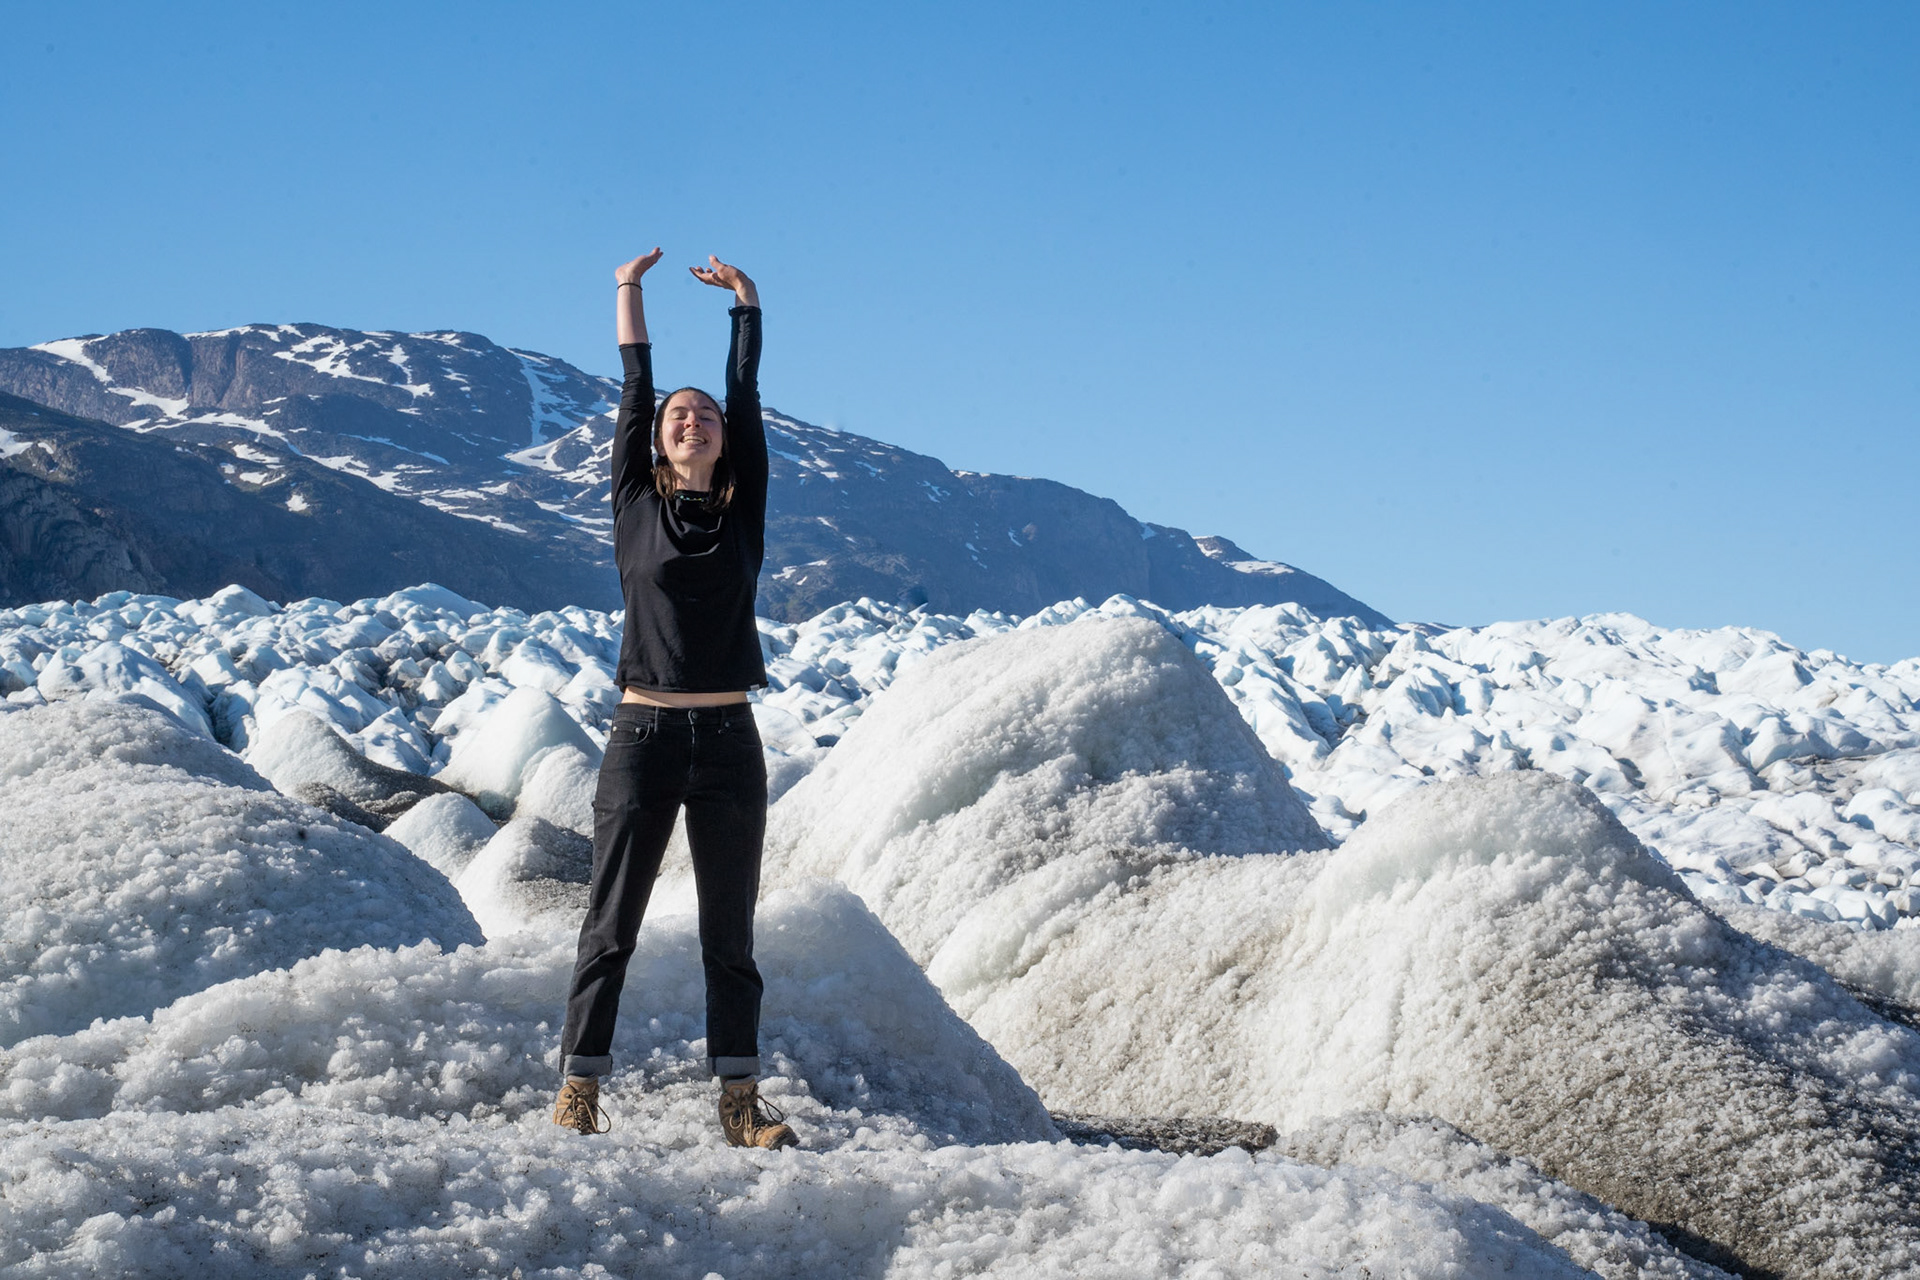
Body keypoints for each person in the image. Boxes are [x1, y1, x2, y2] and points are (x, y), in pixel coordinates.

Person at [551, 246, 796, 1150]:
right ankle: (579, 1087)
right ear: (656, 439)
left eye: (703, 415)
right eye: (675, 416)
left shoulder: (745, 509)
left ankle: (739, 1102)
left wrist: (747, 306)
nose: (690, 420)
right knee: (610, 925)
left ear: (722, 437)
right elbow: (633, 385)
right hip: (643, 735)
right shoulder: (631, 504)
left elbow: (747, 400)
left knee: (729, 936)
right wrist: (627, 290)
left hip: (731, 739)